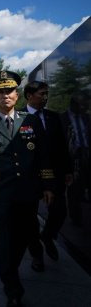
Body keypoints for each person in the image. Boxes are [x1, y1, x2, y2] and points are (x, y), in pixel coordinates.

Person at [0, 71, 55, 307]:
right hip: (1, 194)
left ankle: (18, 264)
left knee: (27, 233)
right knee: (4, 240)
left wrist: (48, 184)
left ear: (17, 95)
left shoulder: (30, 122)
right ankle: (12, 288)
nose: (5, 95)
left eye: (9, 91)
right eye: (0, 91)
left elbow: (43, 156)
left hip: (28, 191)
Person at [23, 81, 73, 268]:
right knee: (30, 218)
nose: (45, 97)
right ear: (29, 95)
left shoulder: (53, 117)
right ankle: (36, 254)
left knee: (60, 210)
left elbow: (62, 145)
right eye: (41, 94)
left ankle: (48, 235)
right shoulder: (20, 117)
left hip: (55, 174)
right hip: (30, 175)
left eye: (47, 94)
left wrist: (67, 170)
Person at [61, 92, 90, 227]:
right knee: (73, 188)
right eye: (82, 105)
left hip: (87, 154)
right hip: (73, 157)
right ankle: (76, 218)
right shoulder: (62, 119)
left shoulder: (86, 118)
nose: (84, 107)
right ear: (74, 104)